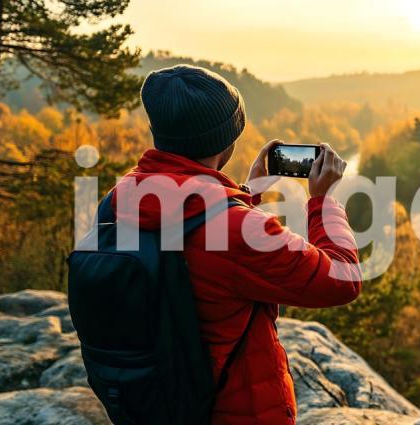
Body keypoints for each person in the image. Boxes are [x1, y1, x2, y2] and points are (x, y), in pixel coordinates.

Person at [114, 64, 362, 424]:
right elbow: (343, 279)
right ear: (227, 141)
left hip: (156, 403)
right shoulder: (235, 230)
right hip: (235, 411)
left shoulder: (123, 198)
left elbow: (202, 254)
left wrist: (246, 194)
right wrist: (323, 202)